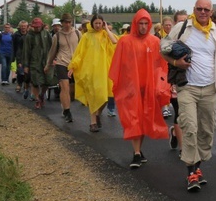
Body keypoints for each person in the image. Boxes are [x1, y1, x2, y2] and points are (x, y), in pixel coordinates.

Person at [165, 0, 216, 191]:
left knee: (207, 130)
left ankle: (198, 167)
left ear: (211, 12)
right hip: (187, 87)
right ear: (194, 9)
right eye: (199, 9)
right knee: (190, 127)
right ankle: (191, 172)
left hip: (209, 88)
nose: (202, 12)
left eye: (206, 9)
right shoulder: (182, 28)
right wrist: (177, 63)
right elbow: (163, 49)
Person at [110, 9, 171, 168]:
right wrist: (123, 84)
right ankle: (136, 153)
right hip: (131, 87)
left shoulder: (154, 41)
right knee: (133, 118)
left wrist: (161, 84)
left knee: (144, 119)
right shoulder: (125, 41)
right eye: (140, 23)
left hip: (148, 87)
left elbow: (161, 66)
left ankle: (139, 150)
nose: (143, 27)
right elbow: (119, 64)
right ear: (135, 24)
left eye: (146, 23)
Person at [68, 14, 118, 132]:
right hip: (90, 70)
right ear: (92, 24)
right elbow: (80, 53)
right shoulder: (86, 36)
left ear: (103, 23)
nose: (98, 25)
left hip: (104, 70)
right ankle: (93, 123)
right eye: (96, 23)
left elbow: (115, 42)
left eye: (100, 23)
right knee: (92, 96)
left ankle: (98, 114)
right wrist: (73, 66)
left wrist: (106, 29)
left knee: (105, 97)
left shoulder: (106, 34)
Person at [45, 13, 80, 123]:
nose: (68, 24)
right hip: (62, 63)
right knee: (64, 87)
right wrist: (48, 65)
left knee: (72, 90)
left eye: (69, 22)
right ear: (62, 23)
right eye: (65, 22)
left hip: (74, 64)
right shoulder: (57, 36)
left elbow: (83, 50)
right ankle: (67, 111)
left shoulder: (78, 34)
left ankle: (64, 105)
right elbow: (52, 51)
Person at [23, 18, 56, 108]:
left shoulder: (46, 34)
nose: (36, 28)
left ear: (41, 25)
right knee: (35, 81)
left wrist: (54, 59)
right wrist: (26, 65)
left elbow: (52, 47)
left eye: (38, 27)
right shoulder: (29, 36)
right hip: (34, 62)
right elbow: (26, 51)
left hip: (46, 61)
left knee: (47, 81)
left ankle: (42, 95)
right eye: (35, 27)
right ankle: (37, 99)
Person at [168, 10, 188, 151]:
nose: (183, 24)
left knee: (189, 115)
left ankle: (175, 132)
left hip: (191, 82)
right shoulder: (168, 40)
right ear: (175, 23)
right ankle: (183, 148)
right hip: (174, 80)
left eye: (185, 21)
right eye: (180, 21)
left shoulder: (193, 38)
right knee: (179, 112)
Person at [13, 21, 30, 97]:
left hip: (29, 56)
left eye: (25, 26)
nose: (23, 27)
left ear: (27, 27)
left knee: (27, 72)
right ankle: (19, 84)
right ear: (20, 27)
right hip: (20, 55)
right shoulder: (16, 35)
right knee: (20, 70)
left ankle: (26, 85)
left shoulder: (30, 35)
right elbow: (14, 46)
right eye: (22, 26)